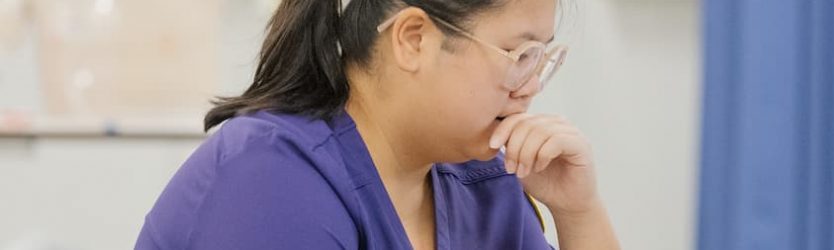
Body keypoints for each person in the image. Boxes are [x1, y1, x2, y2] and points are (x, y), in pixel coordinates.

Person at [135, 0, 619, 249]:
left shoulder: (485, 180)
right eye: (521, 54)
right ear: (413, 40)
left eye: (543, 57)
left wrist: (578, 211)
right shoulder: (269, 180)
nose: (531, 85)